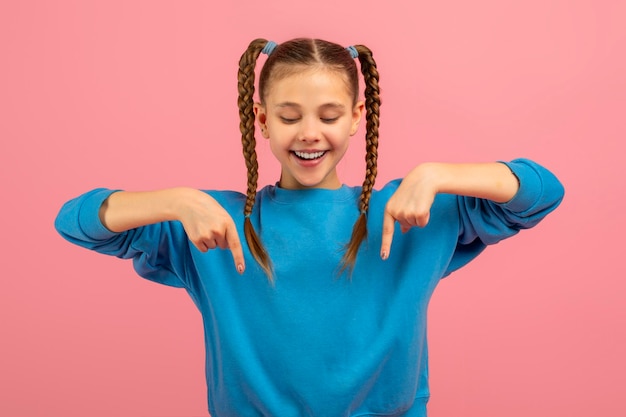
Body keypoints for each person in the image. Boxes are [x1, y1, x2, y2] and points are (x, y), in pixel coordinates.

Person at [55, 38, 564, 417]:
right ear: (262, 119)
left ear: (356, 116)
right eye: (289, 116)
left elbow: (541, 192)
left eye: (328, 115)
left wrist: (440, 174)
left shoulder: (408, 211)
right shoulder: (212, 223)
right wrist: (174, 201)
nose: (309, 134)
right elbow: (75, 222)